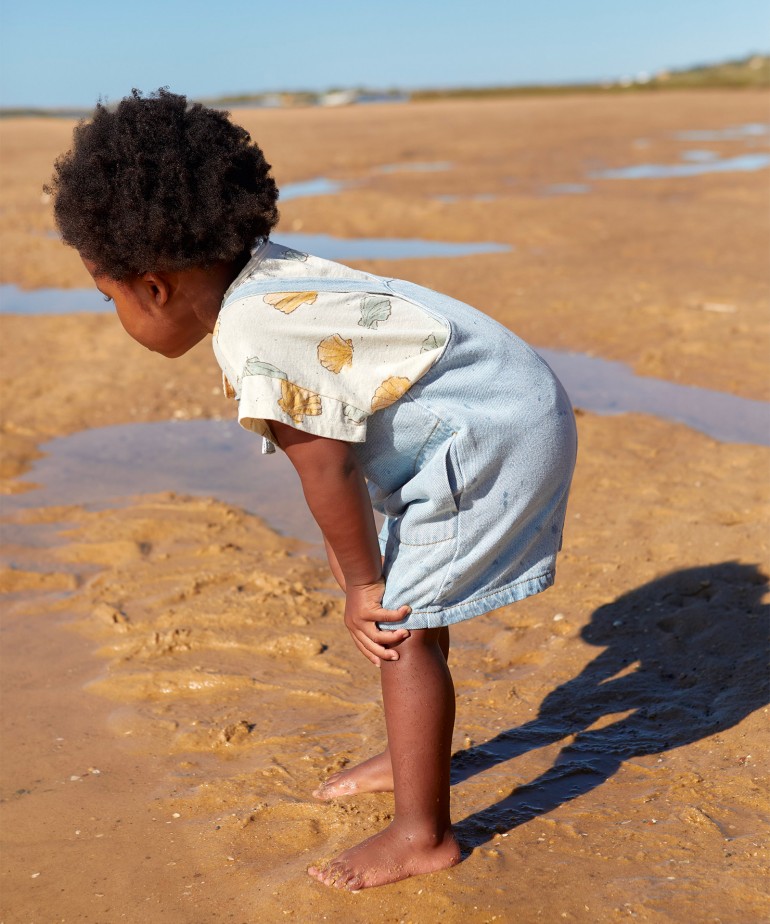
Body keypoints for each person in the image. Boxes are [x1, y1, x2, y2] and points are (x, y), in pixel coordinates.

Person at [47, 88, 577, 891]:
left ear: (154, 286)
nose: (114, 310)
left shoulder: (253, 330)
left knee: (396, 622)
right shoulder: (268, 276)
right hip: (501, 405)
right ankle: (412, 758)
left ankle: (420, 833)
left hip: (486, 435)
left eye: (107, 295)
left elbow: (322, 461)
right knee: (407, 606)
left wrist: (359, 582)